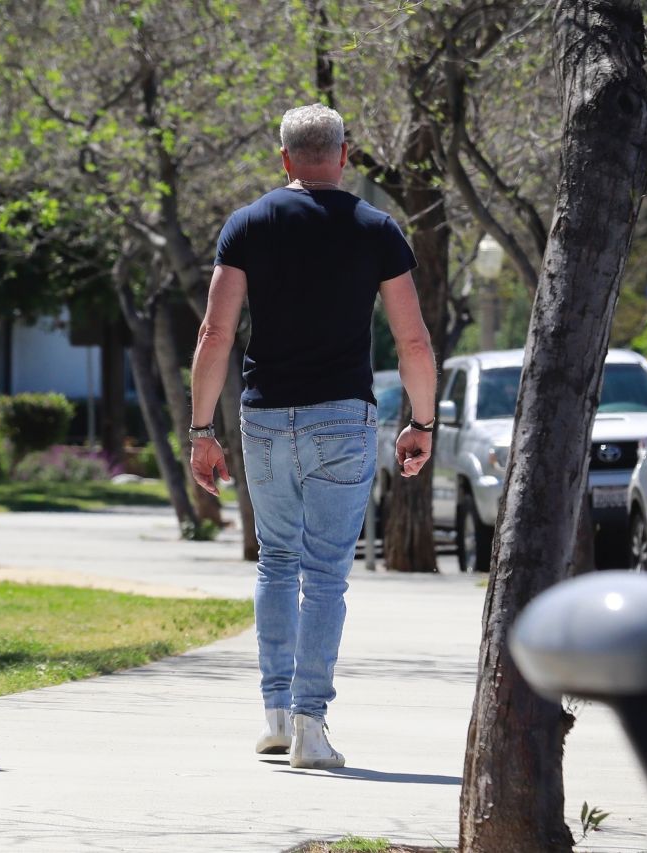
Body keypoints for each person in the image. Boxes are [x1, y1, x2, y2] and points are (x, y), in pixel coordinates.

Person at [188, 104, 437, 770]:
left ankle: (274, 712)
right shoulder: (377, 230)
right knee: (326, 575)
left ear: (285, 159)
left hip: (266, 417)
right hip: (341, 419)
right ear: (346, 156)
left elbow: (215, 334)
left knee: (277, 561)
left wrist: (201, 429)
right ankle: (309, 724)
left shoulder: (248, 226)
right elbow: (412, 338)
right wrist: (422, 421)